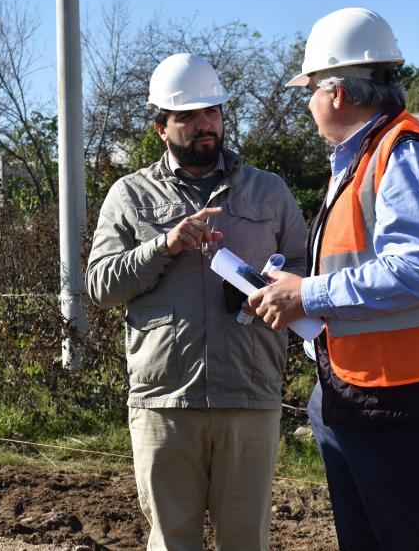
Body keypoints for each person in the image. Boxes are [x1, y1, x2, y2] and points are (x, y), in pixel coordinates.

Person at [249, 7, 419, 551]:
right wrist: (297, 285)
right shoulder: (365, 157)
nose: (310, 102)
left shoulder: (405, 154)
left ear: (337, 94)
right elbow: (367, 264)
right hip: (364, 394)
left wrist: (308, 292)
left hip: (409, 403)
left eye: (311, 89)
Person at [86, 53, 308, 550]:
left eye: (212, 112)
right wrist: (164, 245)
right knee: (172, 541)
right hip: (165, 403)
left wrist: (276, 285)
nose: (204, 124)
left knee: (245, 542)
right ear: (161, 126)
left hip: (249, 396)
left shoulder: (269, 191)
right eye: (188, 116)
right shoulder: (130, 195)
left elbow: (305, 270)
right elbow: (100, 284)